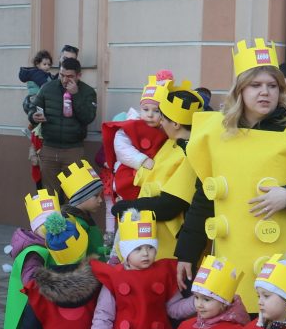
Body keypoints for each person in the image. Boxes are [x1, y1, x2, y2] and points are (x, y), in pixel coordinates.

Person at [175, 39, 286, 311]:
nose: (265, 92)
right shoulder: (216, 133)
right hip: (233, 259)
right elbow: (204, 196)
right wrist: (187, 251)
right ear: (240, 89)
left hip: (283, 266)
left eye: (272, 85)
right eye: (255, 85)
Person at [110, 81, 204, 259]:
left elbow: (170, 205)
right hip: (150, 239)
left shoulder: (190, 153)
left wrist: (129, 206)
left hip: (169, 247)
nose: (160, 121)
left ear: (175, 123)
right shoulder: (170, 142)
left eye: (163, 118)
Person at [29, 56, 97, 196]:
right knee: (49, 193)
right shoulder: (47, 88)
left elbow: (88, 117)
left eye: (70, 76)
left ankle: (68, 212)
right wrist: (33, 116)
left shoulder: (88, 92)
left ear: (79, 75)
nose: (65, 80)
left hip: (73, 150)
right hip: (49, 148)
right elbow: (33, 109)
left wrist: (75, 95)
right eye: (62, 75)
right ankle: (54, 212)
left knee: (74, 194)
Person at [101, 71, 172, 202]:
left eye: (156, 111)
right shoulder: (131, 125)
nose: (150, 114)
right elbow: (121, 147)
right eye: (146, 109)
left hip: (153, 177)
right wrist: (141, 160)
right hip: (129, 172)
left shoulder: (165, 129)